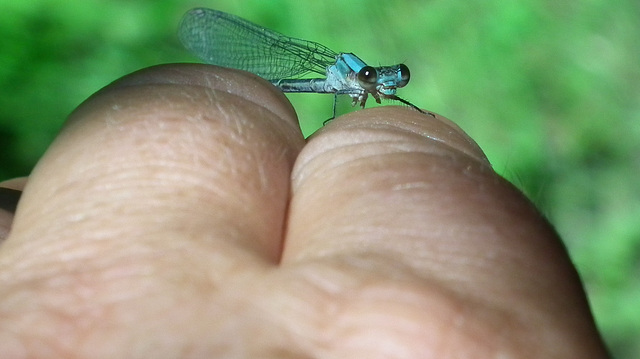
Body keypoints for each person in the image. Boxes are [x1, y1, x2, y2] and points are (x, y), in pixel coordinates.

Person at [0, 64, 610, 358]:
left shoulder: (369, 87)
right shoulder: (352, 87)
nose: (386, 85)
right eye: (382, 82)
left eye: (388, 83)